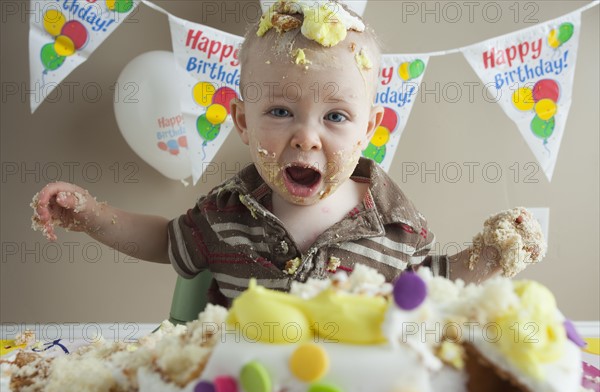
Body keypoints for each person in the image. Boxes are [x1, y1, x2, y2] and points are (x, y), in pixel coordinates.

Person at [33, 1, 507, 307]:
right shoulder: (225, 214)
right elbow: (163, 241)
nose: (306, 137)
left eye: (336, 117)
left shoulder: (395, 224)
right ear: (242, 120)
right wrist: (94, 216)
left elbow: (434, 286)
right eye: (280, 110)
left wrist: (491, 256)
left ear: (369, 129)